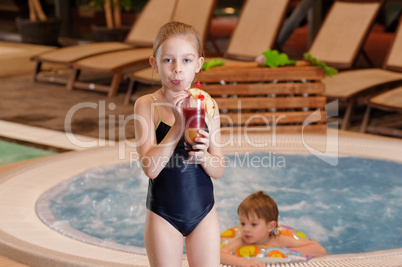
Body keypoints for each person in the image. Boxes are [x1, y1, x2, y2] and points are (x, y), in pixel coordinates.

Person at [134, 21, 224, 267]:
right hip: (163, 215)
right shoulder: (146, 105)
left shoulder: (206, 103)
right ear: (154, 63)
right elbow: (150, 169)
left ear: (198, 65)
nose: (177, 69)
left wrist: (204, 154)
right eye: (168, 60)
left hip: (204, 213)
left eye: (186, 60)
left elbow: (219, 169)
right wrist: (178, 127)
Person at [221, 191, 326, 267]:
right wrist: (243, 263)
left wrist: (282, 253)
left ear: (270, 226)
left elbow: (319, 249)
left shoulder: (279, 240)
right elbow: (219, 254)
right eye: (243, 223)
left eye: (253, 224)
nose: (246, 229)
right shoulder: (242, 241)